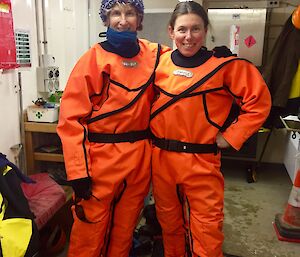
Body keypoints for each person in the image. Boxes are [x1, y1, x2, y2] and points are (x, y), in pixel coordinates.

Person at [150, 1, 272, 257]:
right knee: (169, 224)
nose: (189, 36)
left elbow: (259, 102)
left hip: (201, 162)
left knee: (206, 230)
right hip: (161, 160)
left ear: (205, 30)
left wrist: (231, 136)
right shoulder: (159, 65)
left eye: (196, 29)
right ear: (171, 31)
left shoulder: (225, 66)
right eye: (182, 30)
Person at [57, 1, 168, 256]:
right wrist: (78, 172)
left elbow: (185, 64)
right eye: (115, 13)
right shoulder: (92, 60)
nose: (123, 20)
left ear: (139, 19)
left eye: (130, 13)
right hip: (100, 160)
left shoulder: (155, 55)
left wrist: (211, 60)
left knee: (125, 228)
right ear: (105, 19)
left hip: (140, 158)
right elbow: (71, 119)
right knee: (90, 228)